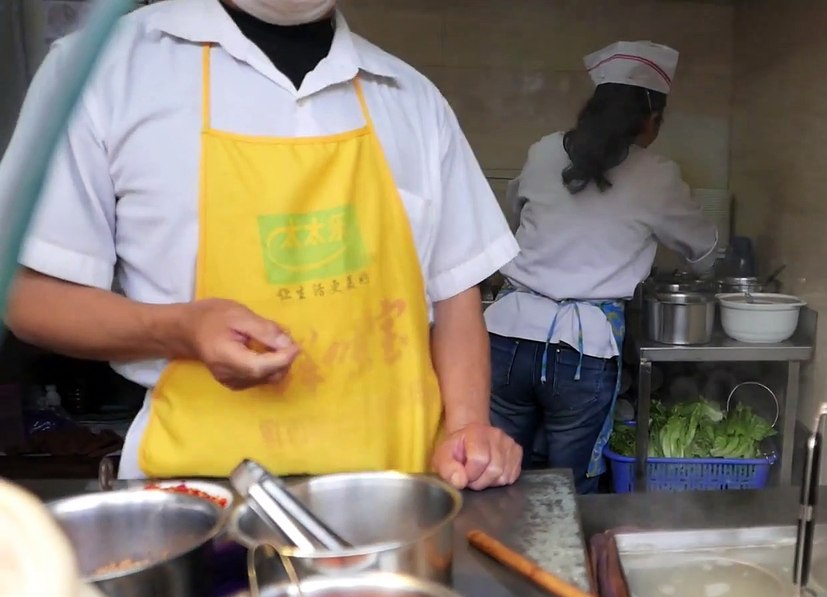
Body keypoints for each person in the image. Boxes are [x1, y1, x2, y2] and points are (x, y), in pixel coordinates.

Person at [0, 0, 522, 489]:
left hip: (399, 500)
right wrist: (180, 329)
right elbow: (28, 299)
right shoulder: (107, 71)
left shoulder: (410, 97)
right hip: (202, 504)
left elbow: (456, 297)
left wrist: (468, 424)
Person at [485, 41, 718, 494]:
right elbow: (704, 248)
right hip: (583, 350)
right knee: (571, 489)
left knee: (501, 476)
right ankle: (563, 567)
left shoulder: (544, 151)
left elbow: (514, 217)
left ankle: (498, 559)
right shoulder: (657, 173)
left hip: (508, 335)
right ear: (650, 119)